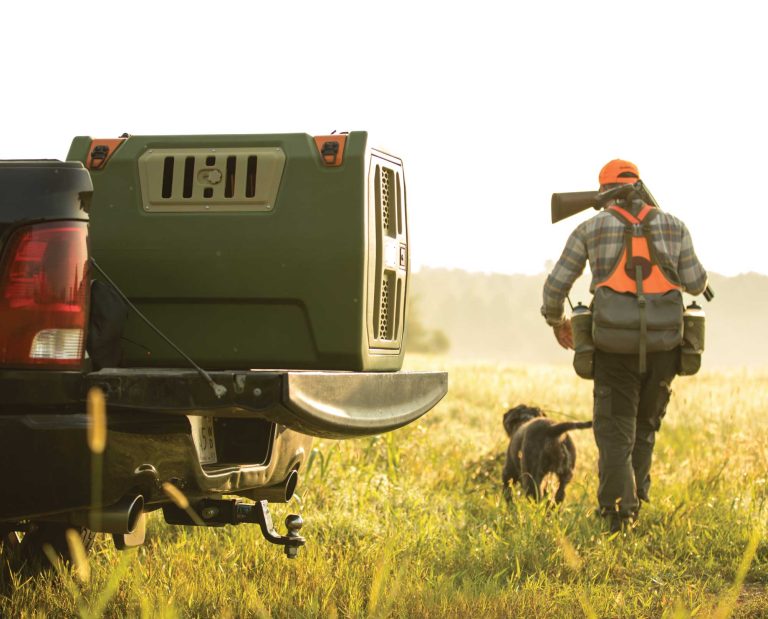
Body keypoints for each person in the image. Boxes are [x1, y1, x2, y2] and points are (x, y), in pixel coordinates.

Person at [541, 159, 707, 532]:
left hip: (613, 349)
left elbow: (555, 287)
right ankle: (635, 504)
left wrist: (557, 321)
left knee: (615, 433)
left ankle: (617, 515)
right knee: (645, 427)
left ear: (603, 192)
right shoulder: (674, 225)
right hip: (665, 348)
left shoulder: (591, 227)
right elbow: (697, 283)